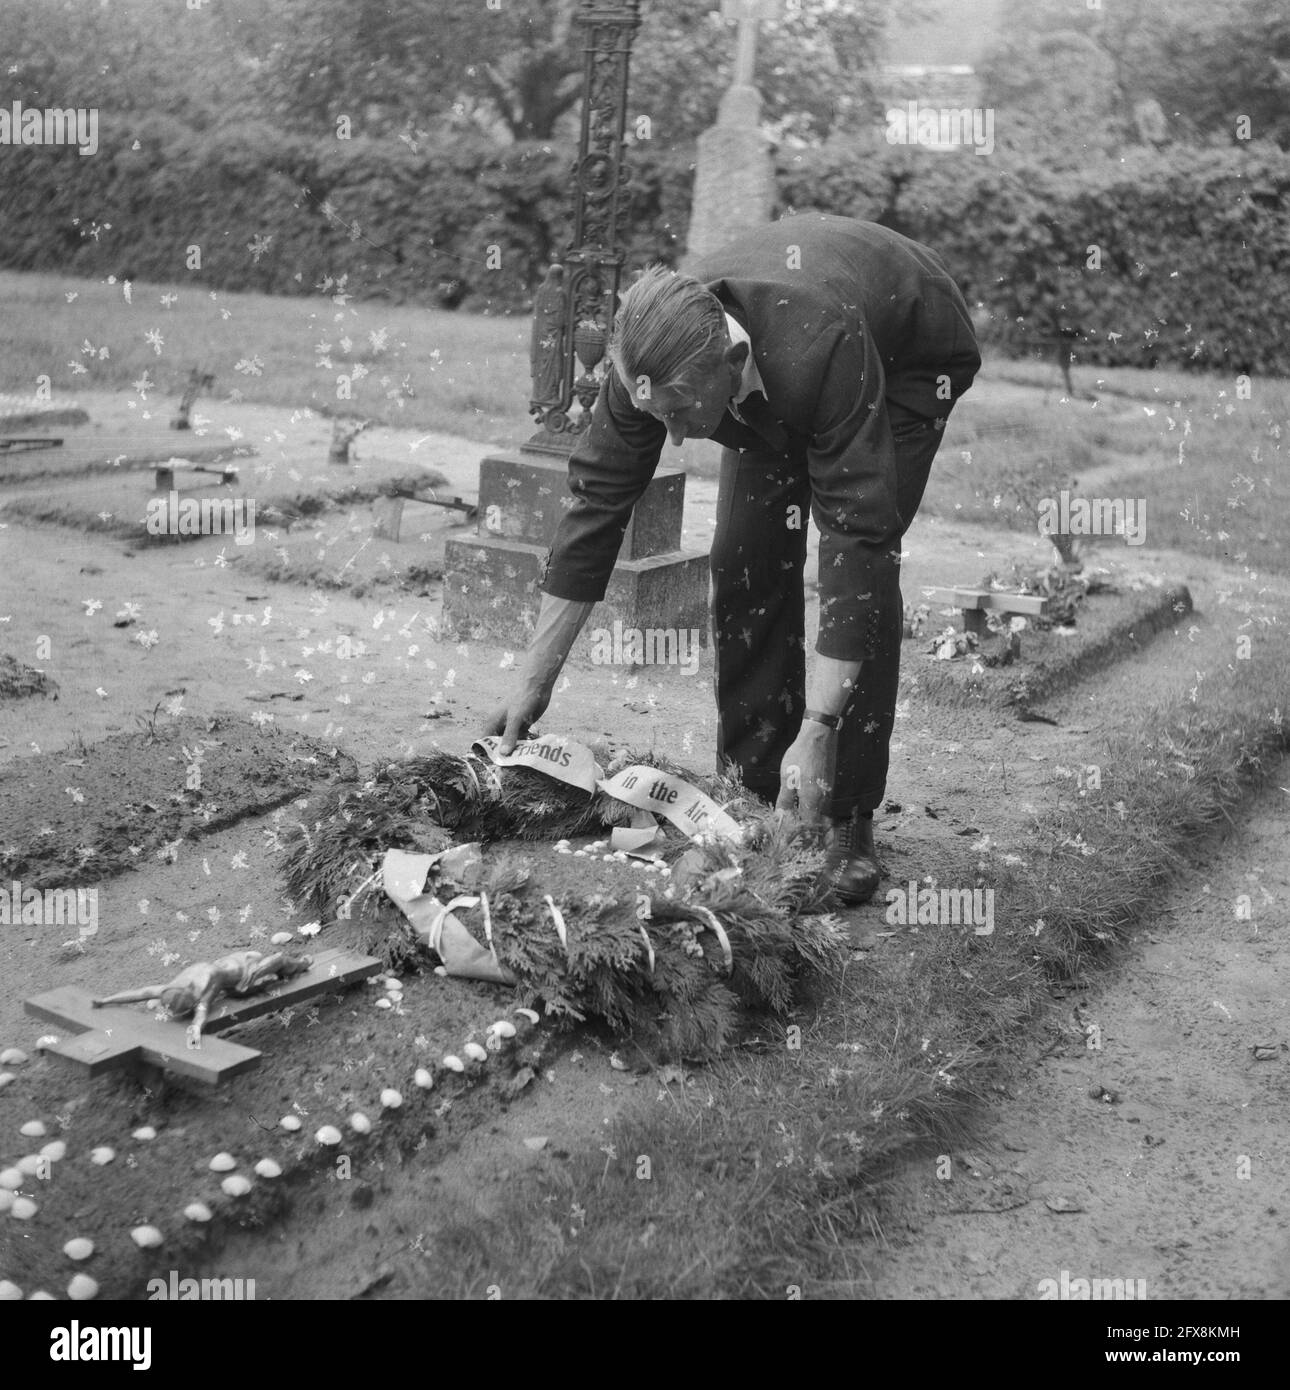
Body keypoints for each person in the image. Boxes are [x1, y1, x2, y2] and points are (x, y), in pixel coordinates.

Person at [486, 213, 981, 904]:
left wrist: (820, 726)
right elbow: (596, 508)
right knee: (745, 555)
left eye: (685, 412)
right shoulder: (650, 363)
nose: (679, 440)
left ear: (731, 365)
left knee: (862, 565)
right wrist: (532, 682)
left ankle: (847, 815)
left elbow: (855, 543)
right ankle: (753, 793)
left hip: (909, 355)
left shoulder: (820, 346)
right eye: (660, 416)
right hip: (786, 349)